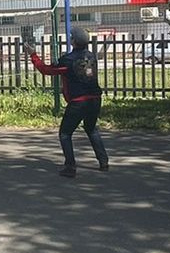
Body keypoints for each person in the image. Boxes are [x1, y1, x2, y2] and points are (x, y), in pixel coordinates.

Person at [26, 28, 109, 177]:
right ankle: (103, 162)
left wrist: (33, 55)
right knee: (91, 129)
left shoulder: (68, 60)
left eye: (71, 37)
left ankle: (70, 167)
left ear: (74, 41)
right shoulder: (91, 56)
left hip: (78, 102)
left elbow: (46, 70)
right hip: (95, 99)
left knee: (65, 133)